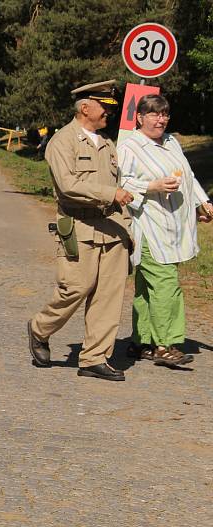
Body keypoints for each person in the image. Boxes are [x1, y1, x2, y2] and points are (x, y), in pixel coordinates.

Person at [27, 80, 134, 381]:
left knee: (108, 296)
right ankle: (40, 328)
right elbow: (68, 186)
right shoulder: (62, 142)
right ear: (85, 107)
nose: (109, 114)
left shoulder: (108, 144)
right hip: (79, 227)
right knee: (75, 288)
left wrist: (126, 226)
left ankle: (94, 359)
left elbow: (118, 186)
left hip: (112, 230)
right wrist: (110, 194)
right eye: (105, 107)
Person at [118, 94, 213, 367]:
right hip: (150, 226)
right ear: (140, 117)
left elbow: (189, 175)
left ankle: (141, 341)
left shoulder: (171, 142)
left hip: (175, 225)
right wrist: (152, 187)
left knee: (147, 288)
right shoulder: (130, 147)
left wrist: (202, 202)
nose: (160, 120)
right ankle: (166, 344)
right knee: (166, 284)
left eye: (164, 114)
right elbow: (121, 183)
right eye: (154, 114)